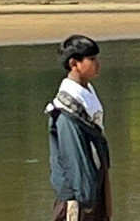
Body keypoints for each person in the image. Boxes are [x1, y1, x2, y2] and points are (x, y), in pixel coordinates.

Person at [46, 34, 112, 221]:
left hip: (92, 187)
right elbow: (74, 156)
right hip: (77, 197)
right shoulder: (67, 109)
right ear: (74, 64)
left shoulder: (86, 92)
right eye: (91, 59)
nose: (97, 63)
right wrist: (87, 198)